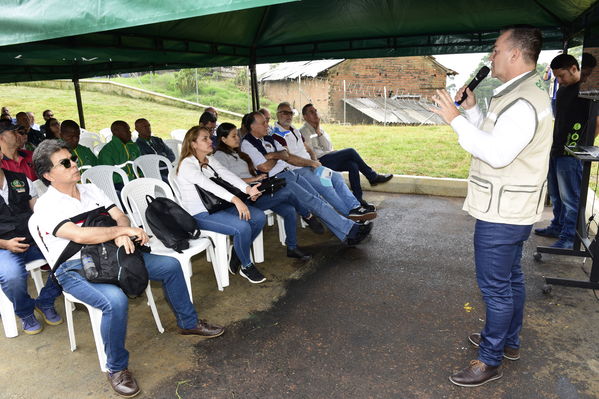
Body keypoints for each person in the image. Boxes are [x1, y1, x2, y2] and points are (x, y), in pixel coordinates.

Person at [32, 139, 224, 397]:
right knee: (115, 301)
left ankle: (188, 322)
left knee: (169, 266)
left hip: (112, 254)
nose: (74, 164)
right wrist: (120, 232)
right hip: (75, 267)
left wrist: (121, 231)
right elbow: (79, 236)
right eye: (65, 163)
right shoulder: (47, 205)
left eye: (73, 158)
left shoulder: (90, 190)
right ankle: (116, 368)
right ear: (48, 175)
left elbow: (120, 214)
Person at [431, 25, 553, 387]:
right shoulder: (520, 93)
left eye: (496, 50)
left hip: (503, 213)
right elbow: (495, 137)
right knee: (510, 280)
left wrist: (454, 120)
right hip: (511, 207)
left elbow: (497, 154)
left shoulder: (523, 101)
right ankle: (507, 342)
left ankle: (489, 359)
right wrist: (469, 112)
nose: (490, 56)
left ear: (516, 54)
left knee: (496, 288)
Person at [213, 123, 372, 254]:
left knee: (316, 198)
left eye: (237, 135)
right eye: (234, 136)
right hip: (261, 187)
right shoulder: (227, 153)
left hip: (279, 177)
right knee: (312, 201)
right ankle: (347, 229)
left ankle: (345, 231)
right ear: (223, 139)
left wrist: (275, 156)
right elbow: (257, 169)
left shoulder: (242, 151)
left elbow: (285, 155)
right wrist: (274, 159)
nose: (237, 138)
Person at [176, 126, 268, 284]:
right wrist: (235, 199)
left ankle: (238, 252)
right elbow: (207, 184)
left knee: (259, 217)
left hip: (218, 206)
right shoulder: (187, 164)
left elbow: (227, 175)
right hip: (200, 214)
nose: (210, 141)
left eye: (209, 137)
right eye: (204, 138)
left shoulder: (209, 159)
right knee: (243, 227)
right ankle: (246, 266)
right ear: (193, 144)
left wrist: (247, 189)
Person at [534, 54, 599, 248]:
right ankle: (557, 225)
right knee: (555, 195)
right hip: (555, 149)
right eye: (557, 77)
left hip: (572, 153)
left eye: (562, 76)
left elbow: (597, 122)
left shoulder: (586, 90)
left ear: (573, 68)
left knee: (571, 198)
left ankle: (569, 237)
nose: (559, 81)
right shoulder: (563, 91)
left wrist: (584, 143)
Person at [270, 103, 376, 219]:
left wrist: (314, 159)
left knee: (336, 177)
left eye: (290, 113)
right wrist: (311, 163)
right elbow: (289, 158)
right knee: (326, 185)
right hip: (298, 170)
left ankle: (355, 207)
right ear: (278, 115)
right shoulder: (276, 135)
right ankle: (349, 215)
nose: (288, 116)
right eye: (285, 113)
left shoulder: (294, 130)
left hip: (311, 165)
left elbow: (308, 148)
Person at [0, 158, 62, 335]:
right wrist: (4, 243)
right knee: (11, 276)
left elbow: (39, 211)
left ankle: (46, 300)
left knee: (67, 256)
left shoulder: (20, 179)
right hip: (2, 247)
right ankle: (26, 312)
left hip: (32, 239)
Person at [300, 103, 393, 205]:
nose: (315, 113)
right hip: (319, 162)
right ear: (305, 117)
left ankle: (358, 199)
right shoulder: (303, 131)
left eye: (315, 111)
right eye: (311, 112)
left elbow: (328, 147)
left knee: (352, 165)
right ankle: (373, 177)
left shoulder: (320, 129)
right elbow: (310, 152)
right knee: (351, 151)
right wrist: (328, 153)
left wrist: (318, 131)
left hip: (329, 158)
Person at [98, 120, 141, 189]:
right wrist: (130, 177)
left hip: (135, 180)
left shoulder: (133, 146)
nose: (130, 133)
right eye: (126, 130)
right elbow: (109, 175)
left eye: (129, 130)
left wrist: (140, 176)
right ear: (116, 132)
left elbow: (140, 165)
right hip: (117, 184)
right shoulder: (107, 151)